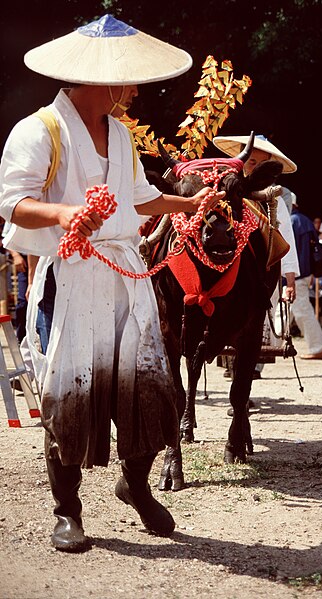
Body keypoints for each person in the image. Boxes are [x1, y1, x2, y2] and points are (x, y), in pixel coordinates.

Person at [0, 14, 225, 553]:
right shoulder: (40, 130)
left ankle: (137, 485)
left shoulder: (121, 134)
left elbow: (141, 197)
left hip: (124, 278)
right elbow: (13, 204)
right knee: (68, 394)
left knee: (148, 388)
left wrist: (188, 203)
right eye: (125, 79)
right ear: (98, 78)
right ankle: (67, 511)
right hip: (72, 274)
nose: (132, 89)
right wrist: (66, 215)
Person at [212, 133, 300, 378]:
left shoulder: (273, 200)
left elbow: (286, 241)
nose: (255, 169)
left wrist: (289, 281)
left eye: (262, 165)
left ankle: (246, 373)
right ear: (239, 161)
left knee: (251, 327)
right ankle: (229, 367)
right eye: (251, 162)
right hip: (222, 271)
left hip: (257, 278)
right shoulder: (219, 193)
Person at [289, 196, 322, 360]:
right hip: (304, 273)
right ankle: (268, 348)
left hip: (296, 274)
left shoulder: (291, 221)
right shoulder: (304, 220)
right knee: (284, 312)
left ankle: (319, 347)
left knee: (302, 311)